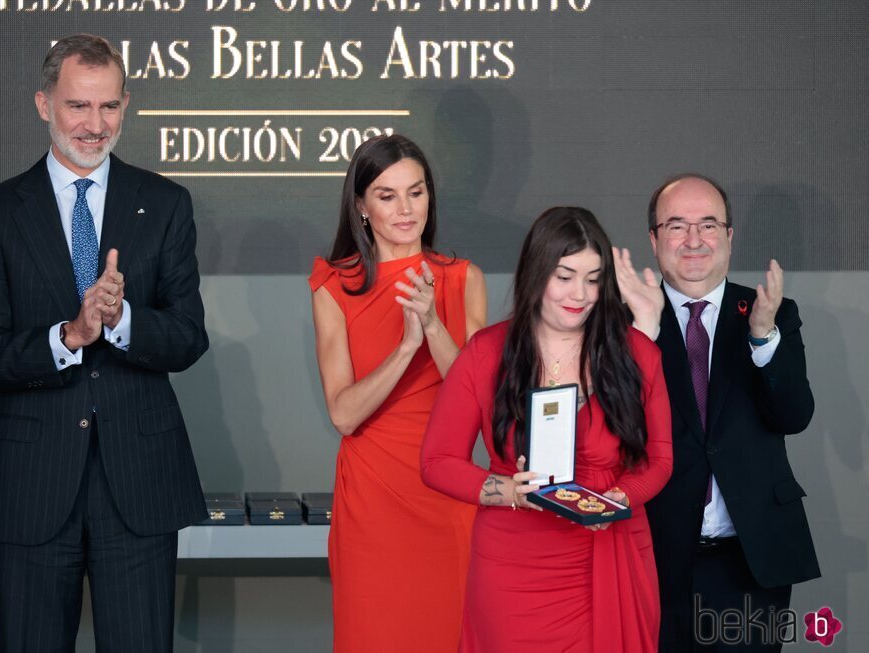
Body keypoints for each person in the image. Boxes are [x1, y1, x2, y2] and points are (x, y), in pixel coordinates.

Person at [0, 34, 208, 652]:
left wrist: (120, 322)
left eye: (109, 107)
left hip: (139, 487)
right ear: (44, 104)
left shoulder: (167, 203)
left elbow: (187, 337)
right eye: (78, 107)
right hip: (30, 484)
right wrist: (69, 335)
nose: (95, 126)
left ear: (126, 104)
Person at [421, 206, 673, 652]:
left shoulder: (637, 353)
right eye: (565, 275)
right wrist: (508, 490)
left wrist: (621, 497)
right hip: (512, 567)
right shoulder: (486, 353)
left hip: (609, 552)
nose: (581, 293)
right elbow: (436, 462)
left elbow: (660, 460)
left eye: (594, 279)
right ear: (537, 272)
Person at [614, 173, 820, 651]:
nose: (693, 241)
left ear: (729, 236)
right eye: (676, 226)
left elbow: (794, 416)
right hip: (654, 552)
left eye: (708, 226)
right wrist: (640, 334)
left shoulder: (772, 312)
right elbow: (612, 426)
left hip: (751, 556)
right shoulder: (622, 319)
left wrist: (763, 339)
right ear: (653, 238)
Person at [309, 134, 487, 652]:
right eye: (387, 196)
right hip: (373, 502)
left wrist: (431, 326)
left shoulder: (462, 278)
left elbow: (475, 403)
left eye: (417, 192)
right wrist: (407, 347)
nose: (406, 209)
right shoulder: (332, 285)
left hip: (447, 492)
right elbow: (343, 414)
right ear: (361, 206)